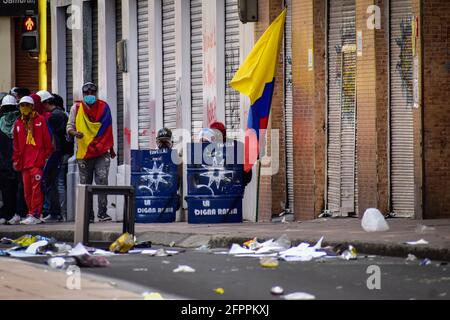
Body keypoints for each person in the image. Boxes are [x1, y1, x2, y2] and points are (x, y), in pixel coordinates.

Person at [66, 82, 116, 222]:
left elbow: (108, 128)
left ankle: (102, 213)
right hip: (84, 151)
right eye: (87, 93)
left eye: (92, 93)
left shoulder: (104, 107)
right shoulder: (76, 108)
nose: (90, 96)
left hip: (101, 151)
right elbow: (69, 126)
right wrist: (75, 133)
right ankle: (88, 214)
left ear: (96, 93)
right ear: (83, 95)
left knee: (102, 180)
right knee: (85, 184)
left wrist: (111, 148)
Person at [12, 96, 53, 225]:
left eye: (27, 105)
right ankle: (31, 212)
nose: (24, 107)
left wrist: (46, 156)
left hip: (37, 161)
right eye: (22, 105)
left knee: (36, 189)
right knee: (27, 191)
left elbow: (47, 140)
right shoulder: (18, 123)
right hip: (24, 163)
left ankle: (35, 214)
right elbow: (16, 145)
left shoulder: (40, 120)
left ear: (32, 106)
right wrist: (16, 160)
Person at [37, 90, 68, 222]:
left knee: (53, 183)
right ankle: (57, 213)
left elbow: (53, 138)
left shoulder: (55, 116)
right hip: (59, 153)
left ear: (46, 103)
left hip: (56, 154)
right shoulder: (59, 114)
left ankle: (57, 213)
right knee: (54, 183)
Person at [0, 95, 21, 225]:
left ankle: (16, 213)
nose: (9, 113)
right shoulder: (3, 122)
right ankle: (8, 214)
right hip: (5, 163)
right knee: (7, 190)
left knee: (17, 190)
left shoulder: (20, 122)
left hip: (17, 161)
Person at [52, 93, 73, 220]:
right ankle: (64, 213)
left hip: (62, 154)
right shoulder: (65, 114)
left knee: (59, 183)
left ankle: (63, 214)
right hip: (67, 153)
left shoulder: (57, 116)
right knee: (61, 183)